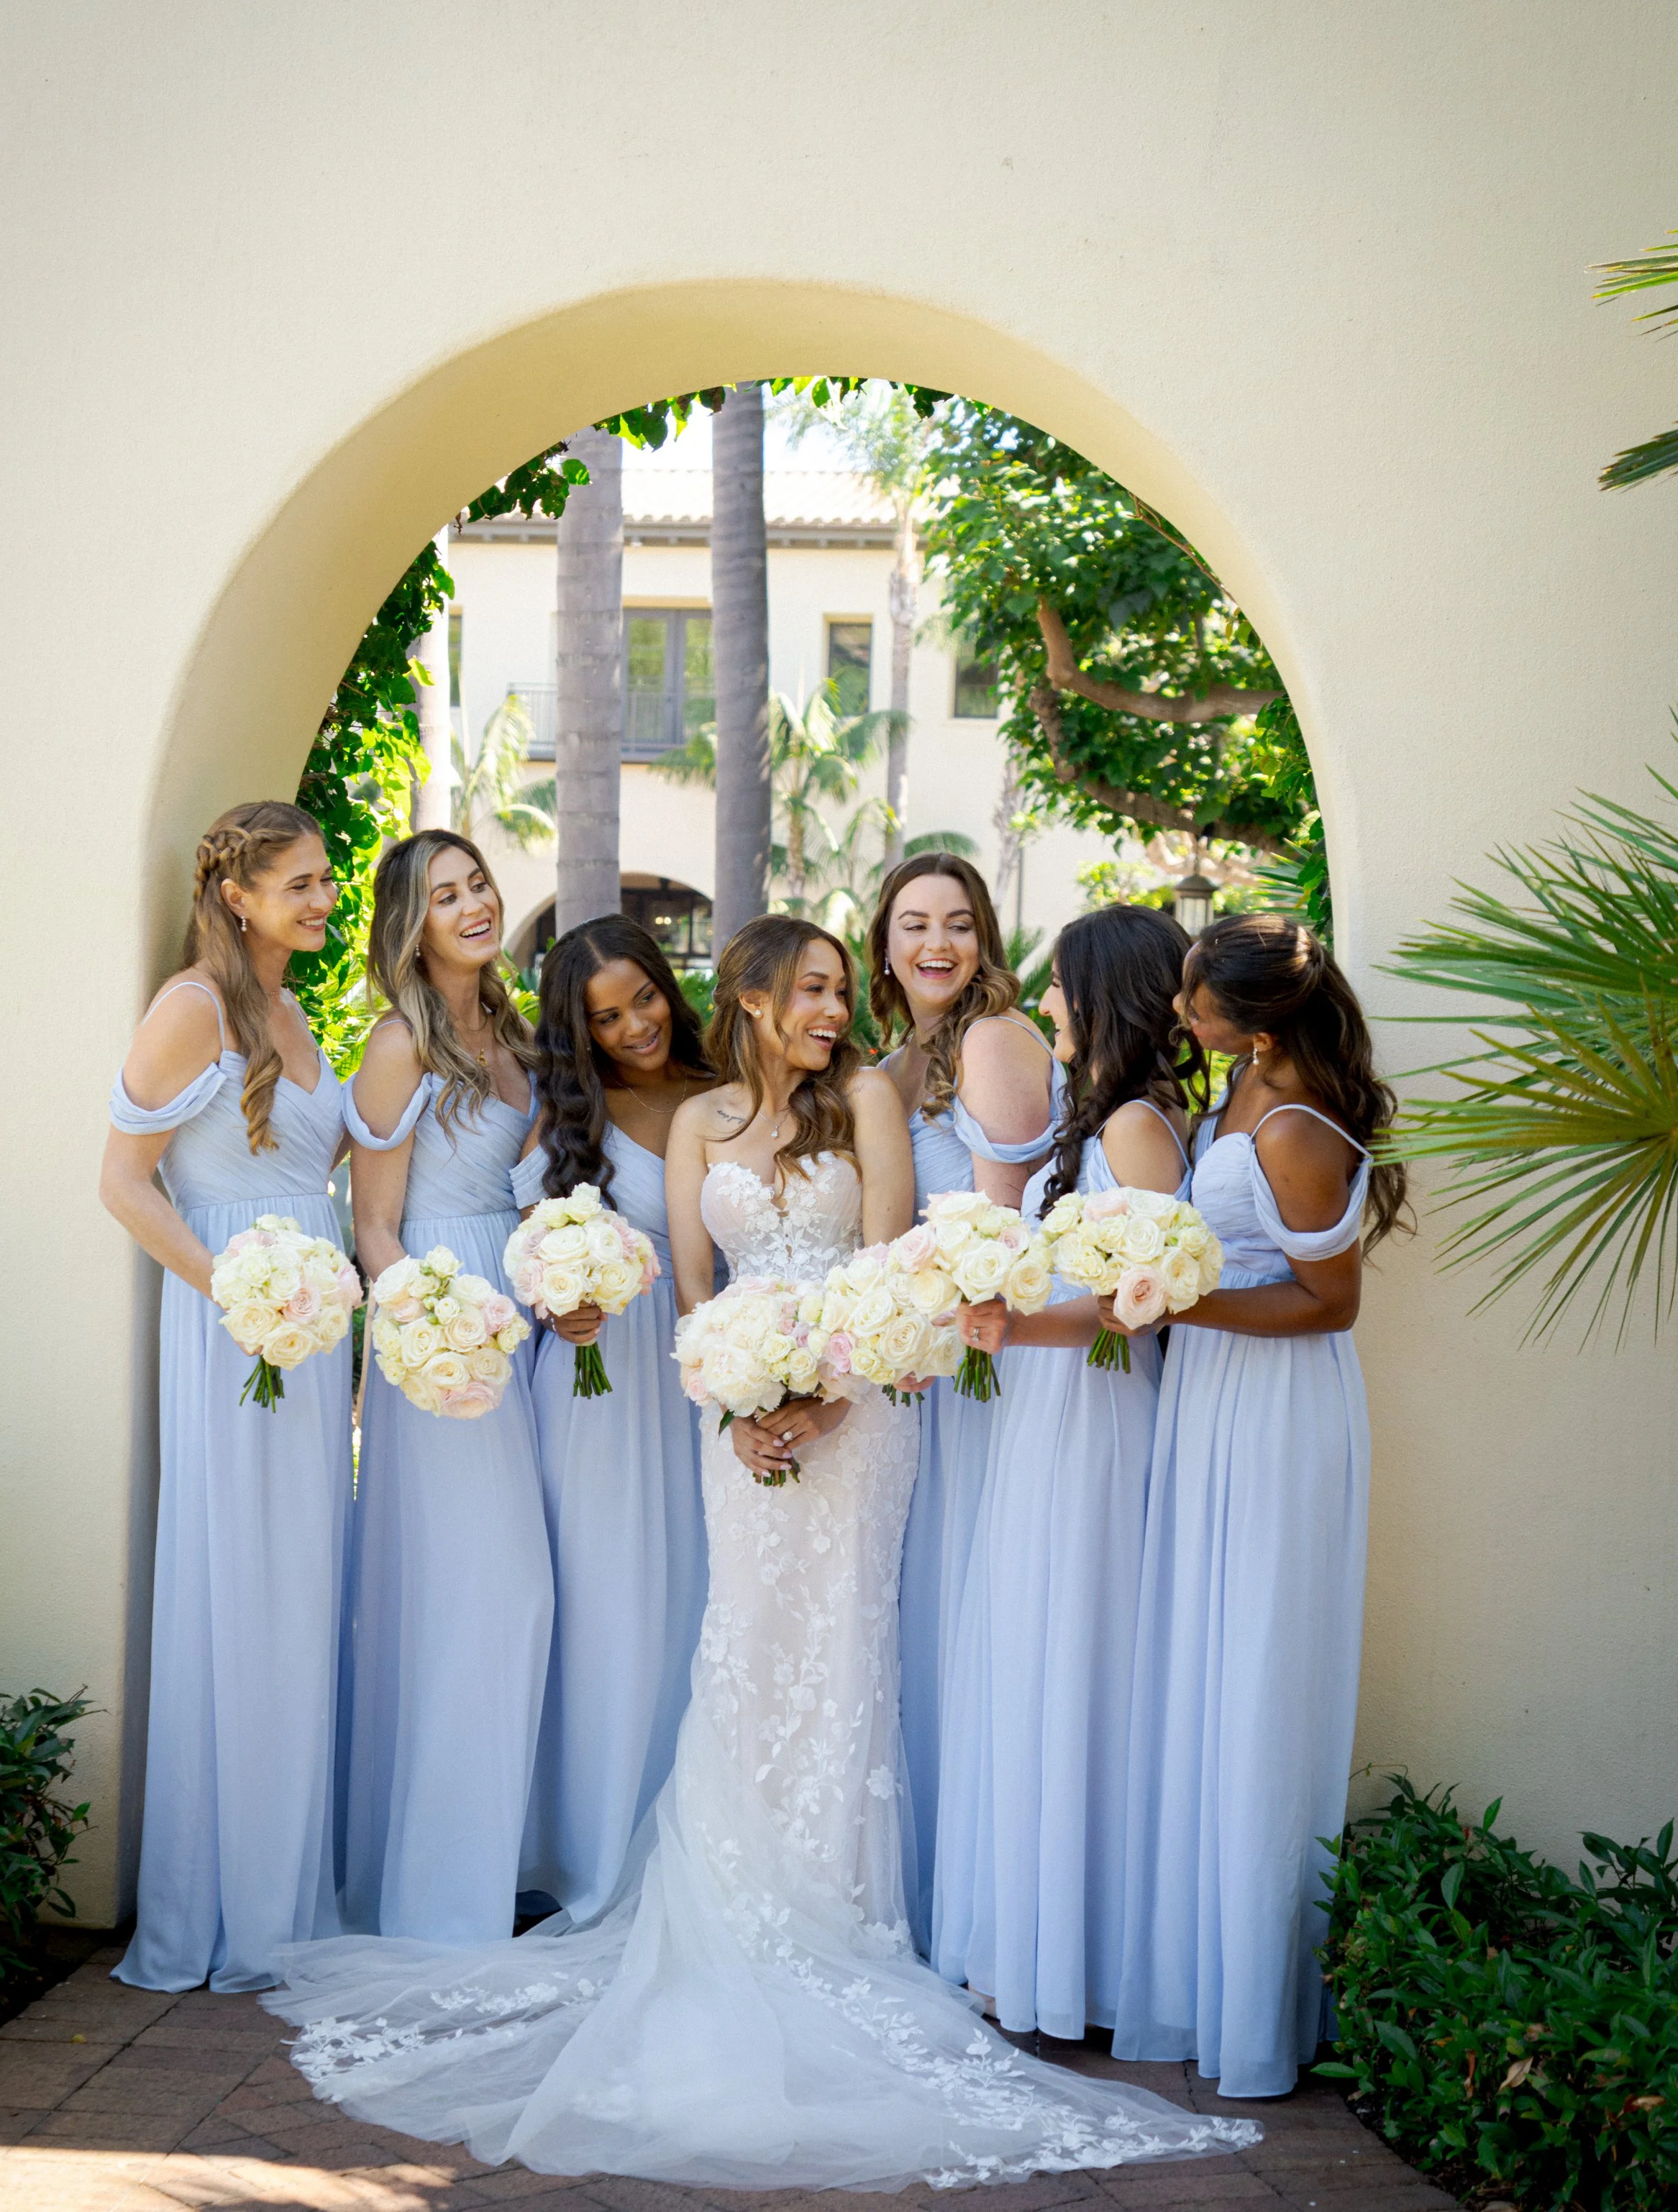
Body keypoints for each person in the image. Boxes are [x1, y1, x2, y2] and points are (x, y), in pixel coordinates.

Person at [263, 915, 1257, 2189]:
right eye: (811, 989)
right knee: (746, 1651)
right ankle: (731, 1905)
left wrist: (825, 1400)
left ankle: (843, 1911)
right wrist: (738, 1408)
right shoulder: (697, 1124)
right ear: (745, 996)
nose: (835, 1009)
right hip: (736, 1433)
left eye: (843, 988)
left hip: (865, 1418)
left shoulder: (869, 1108)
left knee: (846, 1647)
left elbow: (896, 1274)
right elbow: (692, 1290)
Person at [1111, 910, 1408, 2098]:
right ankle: (1194, 1976)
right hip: (1212, 1399)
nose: (1184, 1015)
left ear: (1263, 1016)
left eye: (1201, 1000)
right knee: (1203, 1668)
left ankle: (1255, 2012)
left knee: (1259, 1676)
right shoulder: (1240, 1093)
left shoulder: (1292, 1125)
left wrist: (1178, 1308)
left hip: (1281, 1410)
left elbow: (1328, 1304)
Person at [934, 905, 1204, 2040]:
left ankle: (1079, 1959)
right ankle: (1030, 1942)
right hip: (1053, 1412)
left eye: (1059, 987)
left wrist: (1008, 1325)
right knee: (1034, 1653)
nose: (1044, 1005)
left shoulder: (1139, 1126)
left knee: (1079, 1660)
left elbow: (1136, 1310)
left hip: (1094, 1411)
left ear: (1106, 995)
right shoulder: (1089, 1123)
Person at [102, 802, 351, 1993]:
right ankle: (229, 1904)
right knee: (242, 1584)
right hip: (235, 1330)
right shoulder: (189, 1008)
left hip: (311, 1326)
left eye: (323, 880)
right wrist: (237, 1290)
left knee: (301, 1586)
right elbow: (122, 1181)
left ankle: (290, 1890)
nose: (320, 899)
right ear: (237, 893)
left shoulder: (295, 1010)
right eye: (298, 883)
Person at [337, 831, 553, 1946]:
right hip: (444, 1330)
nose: (471, 905)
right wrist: (428, 1337)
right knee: (491, 1593)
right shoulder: (397, 1046)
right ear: (409, 923)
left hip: (521, 1320)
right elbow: (374, 1223)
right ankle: (441, 1892)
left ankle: (491, 1860)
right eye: (445, 894)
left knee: (507, 1603)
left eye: (477, 885)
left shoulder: (514, 1032)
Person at [512, 916, 716, 1921]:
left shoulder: (727, 1085)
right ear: (579, 1029)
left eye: (642, 997)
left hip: (712, 1368)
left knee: (697, 1597)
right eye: (605, 1015)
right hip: (601, 1380)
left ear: (668, 987)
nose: (633, 1024)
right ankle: (586, 1851)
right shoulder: (569, 1111)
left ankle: (692, 1840)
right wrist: (558, 1297)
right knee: (606, 1606)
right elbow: (527, 1243)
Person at [869, 851, 1059, 1932]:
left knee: (986, 1601)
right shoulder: (894, 1064)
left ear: (984, 937)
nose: (935, 943)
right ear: (884, 945)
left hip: (996, 1360)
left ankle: (994, 1906)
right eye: (912, 924)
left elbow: (998, 1231)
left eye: (956, 923)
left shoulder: (993, 1040)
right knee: (932, 1607)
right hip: (930, 1370)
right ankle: (944, 1883)